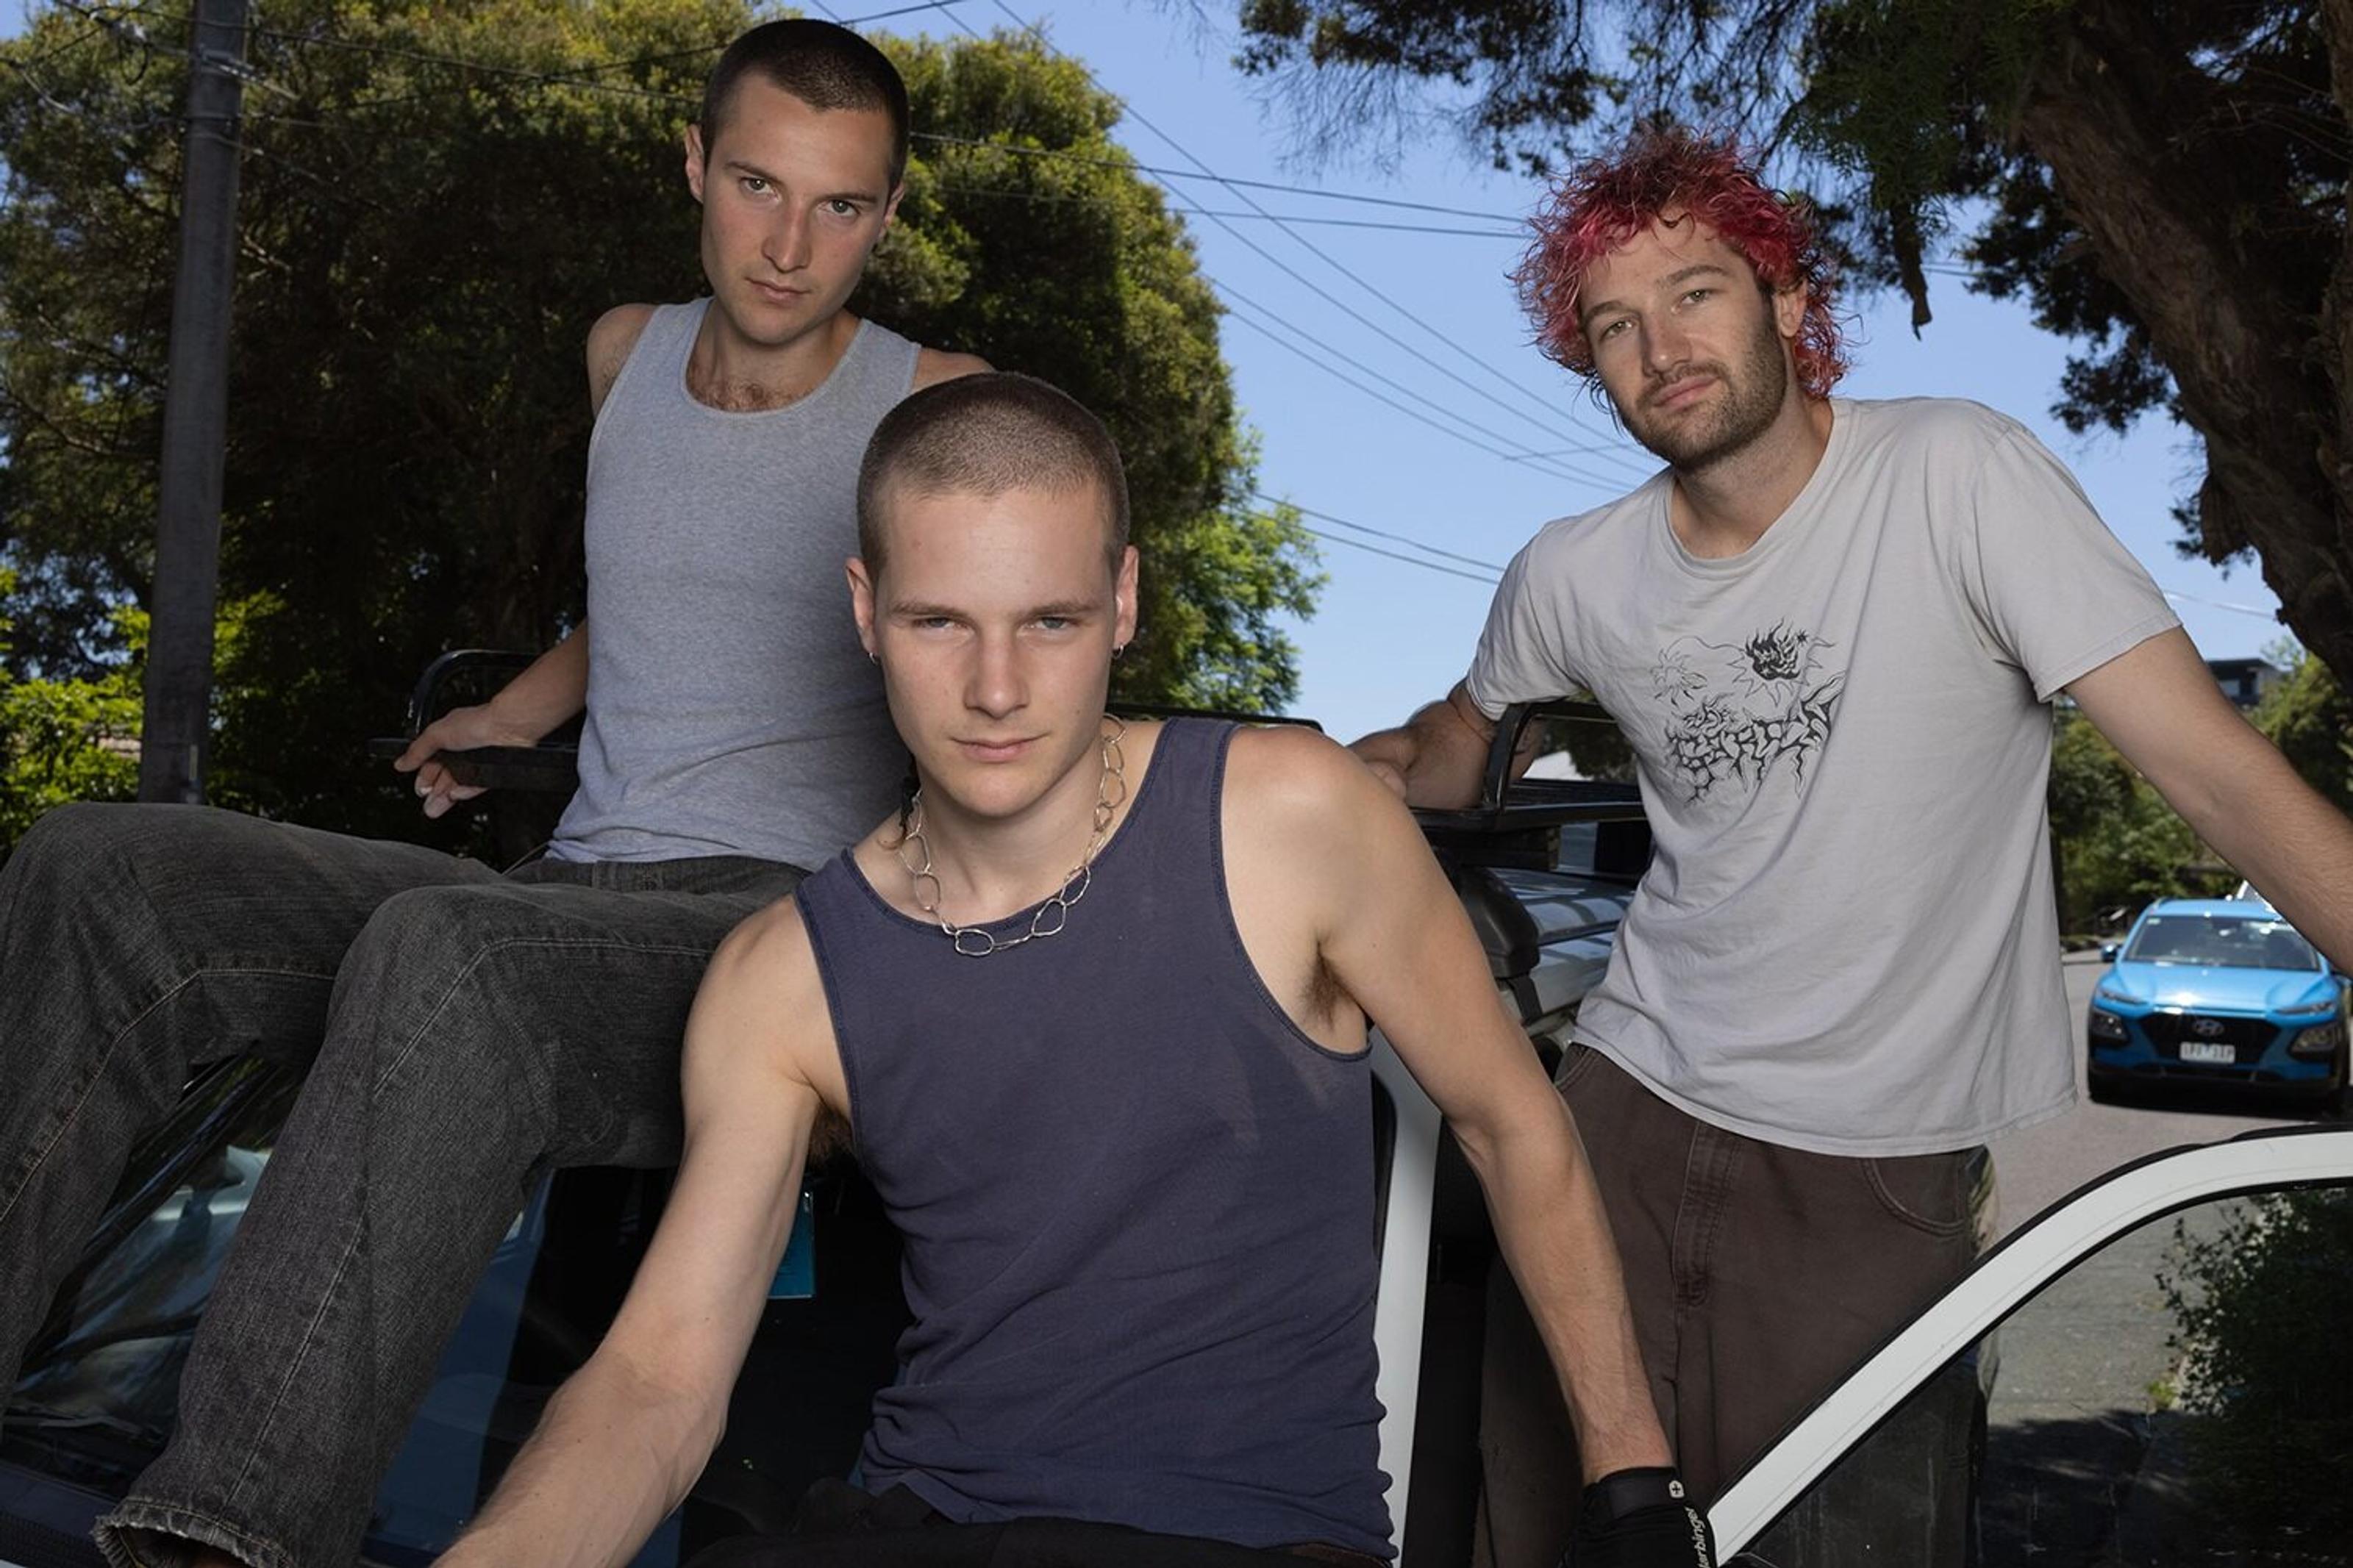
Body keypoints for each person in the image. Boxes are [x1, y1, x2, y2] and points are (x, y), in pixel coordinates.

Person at [427, 371, 1714, 1568]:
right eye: (941, 621)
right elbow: (658, 1378)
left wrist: (1634, 1489)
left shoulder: (1289, 819)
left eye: (1051, 620)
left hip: (1244, 1541)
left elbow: (1512, 1124)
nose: (996, 687)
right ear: (868, 609)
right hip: (914, 1522)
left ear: (1127, 600)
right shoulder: (784, 977)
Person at [0, 20, 985, 1568]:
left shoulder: (938, 407)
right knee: (95, 864)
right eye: (756, 185)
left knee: (448, 952)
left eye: (842, 206)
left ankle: (224, 1537)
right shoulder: (624, 352)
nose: (792, 246)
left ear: (890, 212)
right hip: (563, 891)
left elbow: (998, 676)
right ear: (692, 164)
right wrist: (513, 710)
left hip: (778, 925)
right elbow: (652, 593)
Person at [1350, 126, 2353, 1564]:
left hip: (1871, 1161)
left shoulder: (1959, 476)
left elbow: (2215, 770)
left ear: (1787, 302)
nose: (1656, 348)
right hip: (1618, 1111)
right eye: (1610, 326)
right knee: (1560, 1524)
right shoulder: (1571, 571)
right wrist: (1315, 779)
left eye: (1693, 292)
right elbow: (1454, 740)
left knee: (1837, 1536)